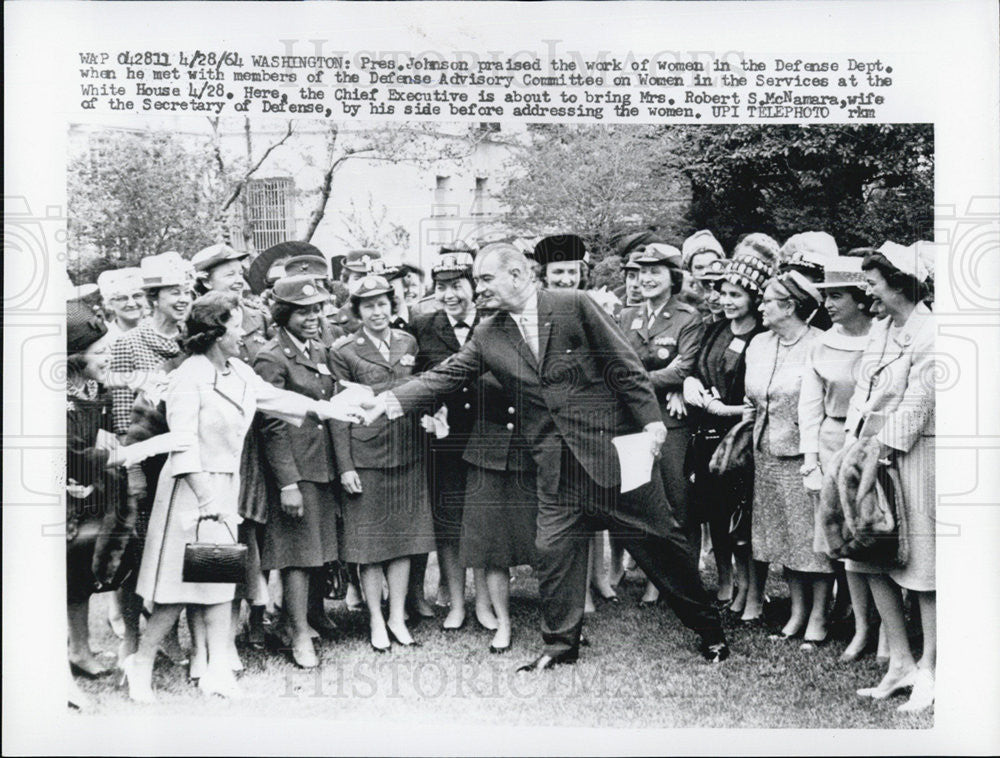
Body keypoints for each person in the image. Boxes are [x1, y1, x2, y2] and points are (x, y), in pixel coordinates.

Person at [369, 243, 729, 669]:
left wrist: (651, 423)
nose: (478, 289)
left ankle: (710, 633)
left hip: (614, 454)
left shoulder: (574, 305)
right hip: (556, 467)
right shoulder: (489, 334)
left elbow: (626, 367)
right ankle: (560, 648)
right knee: (553, 553)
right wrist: (390, 401)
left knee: (661, 546)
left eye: (486, 279)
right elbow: (445, 375)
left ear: (518, 276)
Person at [123, 292, 359, 702]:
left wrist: (333, 410)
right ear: (216, 333)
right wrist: (207, 499)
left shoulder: (238, 371)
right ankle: (140, 661)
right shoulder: (189, 375)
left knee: (217, 582)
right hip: (190, 488)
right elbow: (182, 444)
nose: (245, 332)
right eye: (236, 326)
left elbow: (278, 399)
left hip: (224, 487)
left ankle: (216, 668)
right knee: (177, 589)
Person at [846, 242, 936, 711]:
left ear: (900, 283)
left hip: (917, 454)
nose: (867, 292)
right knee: (868, 557)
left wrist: (882, 449)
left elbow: (921, 401)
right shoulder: (882, 328)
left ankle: (930, 670)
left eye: (873, 283)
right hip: (871, 454)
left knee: (920, 565)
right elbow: (865, 391)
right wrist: (854, 446)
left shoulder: (934, 330)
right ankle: (898, 662)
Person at [329, 275, 437, 652]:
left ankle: (396, 616)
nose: (378, 311)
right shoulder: (344, 350)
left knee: (405, 540)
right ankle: (376, 617)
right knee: (370, 546)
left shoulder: (407, 341)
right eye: (369, 305)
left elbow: (419, 390)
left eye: (383, 303)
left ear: (393, 304)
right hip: (367, 456)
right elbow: (339, 413)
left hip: (407, 452)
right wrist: (345, 466)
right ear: (356, 311)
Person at [252, 275, 343, 668]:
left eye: (317, 309)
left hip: (320, 464)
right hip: (295, 469)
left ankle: (306, 619)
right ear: (283, 313)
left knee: (317, 550)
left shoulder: (318, 350)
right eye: (303, 311)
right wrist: (288, 482)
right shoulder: (272, 357)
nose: (313, 317)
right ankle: (298, 633)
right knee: (296, 556)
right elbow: (271, 424)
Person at [110, 252, 194, 664]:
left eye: (187, 291)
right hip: (144, 462)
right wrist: (134, 470)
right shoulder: (129, 343)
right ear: (154, 296)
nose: (183, 298)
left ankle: (170, 635)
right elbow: (122, 411)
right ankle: (129, 635)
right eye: (174, 291)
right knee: (136, 552)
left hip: (182, 460)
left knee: (178, 549)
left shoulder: (194, 339)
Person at [408, 252, 498, 631]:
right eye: (442, 287)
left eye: (457, 285)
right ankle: (456, 604)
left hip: (486, 435)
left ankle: (484, 605)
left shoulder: (495, 322)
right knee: (449, 524)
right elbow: (413, 380)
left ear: (473, 286)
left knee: (481, 521)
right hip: (442, 442)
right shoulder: (420, 324)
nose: (449, 295)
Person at [742, 271, 832, 642]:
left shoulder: (822, 344)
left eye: (767, 300)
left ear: (791, 306)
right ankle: (796, 612)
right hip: (765, 453)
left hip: (804, 455)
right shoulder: (759, 344)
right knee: (783, 538)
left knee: (812, 540)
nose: (759, 306)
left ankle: (820, 617)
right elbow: (753, 398)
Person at [683, 251, 770, 615]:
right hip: (706, 433)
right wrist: (689, 383)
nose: (727, 300)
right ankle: (728, 582)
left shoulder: (763, 337)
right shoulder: (716, 328)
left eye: (736, 294)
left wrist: (727, 410)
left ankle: (752, 590)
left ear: (754, 296)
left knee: (744, 518)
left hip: (742, 435)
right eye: (723, 293)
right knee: (716, 514)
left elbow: (762, 397)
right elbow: (699, 367)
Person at [618, 243, 705, 608]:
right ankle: (653, 577)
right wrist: (650, 380)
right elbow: (616, 362)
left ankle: (681, 580)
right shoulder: (627, 317)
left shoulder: (688, 317)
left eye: (656, 271)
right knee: (640, 500)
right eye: (641, 272)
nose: (647, 278)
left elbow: (684, 368)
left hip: (672, 422)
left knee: (676, 502)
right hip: (633, 421)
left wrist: (637, 381)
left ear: (673, 277)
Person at [799, 256, 877, 656]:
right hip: (831, 438)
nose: (828, 303)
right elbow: (809, 406)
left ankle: (881, 626)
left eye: (837, 295)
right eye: (825, 295)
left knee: (873, 535)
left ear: (862, 298)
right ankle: (856, 622)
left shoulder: (884, 338)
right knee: (838, 538)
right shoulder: (821, 342)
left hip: (872, 442)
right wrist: (810, 458)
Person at [97, 267, 145, 343]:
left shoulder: (160, 331)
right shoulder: (103, 340)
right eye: (122, 298)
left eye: (137, 296)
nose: (131, 304)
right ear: (109, 304)